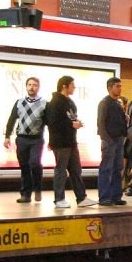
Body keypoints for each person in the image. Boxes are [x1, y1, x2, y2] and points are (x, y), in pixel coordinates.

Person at [46, 75, 98, 208]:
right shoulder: (55, 102)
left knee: (76, 170)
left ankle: (81, 198)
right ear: (64, 86)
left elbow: (71, 118)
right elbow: (53, 122)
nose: (74, 87)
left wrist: (76, 123)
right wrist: (71, 125)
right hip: (60, 143)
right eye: (72, 85)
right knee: (61, 170)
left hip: (71, 141)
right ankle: (59, 199)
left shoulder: (70, 102)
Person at [4, 77, 47, 203]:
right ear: (26, 86)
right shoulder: (19, 102)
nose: (32, 87)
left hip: (36, 139)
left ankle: (38, 188)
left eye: (34, 85)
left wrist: (53, 140)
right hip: (22, 138)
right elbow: (12, 119)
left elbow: (49, 122)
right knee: (24, 166)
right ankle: (26, 194)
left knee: (34, 163)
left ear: (38, 87)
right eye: (29, 84)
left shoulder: (44, 103)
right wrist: (7, 136)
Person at [97, 77, 128, 206]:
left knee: (117, 168)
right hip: (109, 140)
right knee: (106, 168)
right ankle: (104, 197)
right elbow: (101, 122)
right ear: (110, 87)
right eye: (117, 86)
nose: (120, 88)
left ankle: (116, 196)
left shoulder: (117, 103)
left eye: (120, 86)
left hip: (119, 140)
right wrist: (106, 139)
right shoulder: (105, 102)